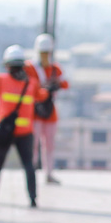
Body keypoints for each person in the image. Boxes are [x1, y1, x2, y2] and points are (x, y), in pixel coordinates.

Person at [0, 45, 47, 208]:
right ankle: (33, 198)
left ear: (7, 65)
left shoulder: (1, 80)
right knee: (28, 166)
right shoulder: (31, 84)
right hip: (25, 133)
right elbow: (42, 95)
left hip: (5, 131)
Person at [30, 32, 68, 185]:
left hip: (50, 112)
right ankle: (31, 171)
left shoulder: (55, 69)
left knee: (49, 144)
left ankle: (49, 173)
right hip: (35, 112)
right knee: (33, 144)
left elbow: (66, 84)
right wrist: (43, 89)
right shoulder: (31, 68)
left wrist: (55, 83)